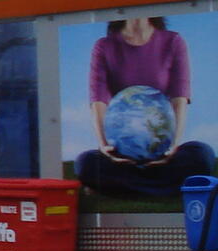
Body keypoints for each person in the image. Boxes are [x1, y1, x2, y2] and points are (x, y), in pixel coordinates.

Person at [74, 17, 215, 198]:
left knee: (202, 155)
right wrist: (105, 148)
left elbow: (180, 97)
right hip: (122, 154)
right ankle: (168, 189)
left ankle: (119, 189)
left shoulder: (173, 41)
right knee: (86, 163)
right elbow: (98, 101)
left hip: (162, 151)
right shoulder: (104, 46)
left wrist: (172, 147)